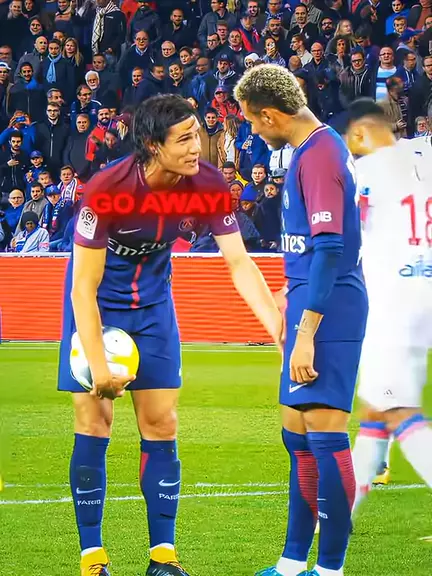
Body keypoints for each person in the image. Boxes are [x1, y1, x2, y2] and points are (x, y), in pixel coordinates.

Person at [57, 94, 284, 576]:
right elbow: (82, 288)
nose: (196, 146)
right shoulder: (107, 189)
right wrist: (98, 365)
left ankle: (163, 557)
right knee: (94, 422)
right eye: (183, 139)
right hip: (98, 306)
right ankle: (92, 558)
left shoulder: (208, 183)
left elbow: (239, 262)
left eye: (197, 134)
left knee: (162, 423)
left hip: (155, 306)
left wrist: (278, 329)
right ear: (151, 145)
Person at [233, 64, 368, 576]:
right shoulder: (312, 149)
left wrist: (307, 331)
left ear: (270, 115)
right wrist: (290, 295)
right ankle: (291, 565)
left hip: (331, 309)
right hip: (310, 300)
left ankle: (330, 569)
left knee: (324, 433)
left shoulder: (320, 156)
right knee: (298, 434)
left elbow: (330, 250)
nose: (253, 130)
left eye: (252, 120)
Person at [343, 99, 432, 519]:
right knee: (377, 410)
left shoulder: (366, 171)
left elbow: (348, 236)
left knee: (397, 410)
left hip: (392, 300)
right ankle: (341, 516)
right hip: (423, 290)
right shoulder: (421, 156)